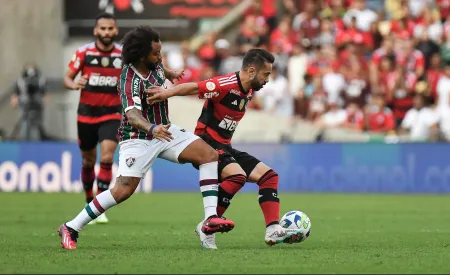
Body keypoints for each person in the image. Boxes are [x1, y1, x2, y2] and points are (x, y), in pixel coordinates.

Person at [57, 25, 235, 250]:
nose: (160, 57)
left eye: (160, 52)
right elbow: (132, 115)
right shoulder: (129, 79)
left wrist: (171, 73)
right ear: (141, 55)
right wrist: (151, 129)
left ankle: (209, 220)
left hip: (166, 130)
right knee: (122, 191)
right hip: (138, 138)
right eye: (156, 53)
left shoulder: (155, 63)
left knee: (208, 155)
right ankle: (71, 227)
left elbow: (161, 68)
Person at [146, 48, 304, 249]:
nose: (267, 80)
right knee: (237, 176)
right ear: (252, 71)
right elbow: (195, 87)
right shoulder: (225, 84)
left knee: (269, 176)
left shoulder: (248, 91)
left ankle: (272, 228)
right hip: (206, 144)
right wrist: (167, 93)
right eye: (266, 74)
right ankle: (209, 223)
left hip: (225, 147)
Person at [64, 13, 123, 224]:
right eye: (103, 29)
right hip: (87, 114)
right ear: (96, 30)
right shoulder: (83, 52)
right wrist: (74, 84)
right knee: (88, 161)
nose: (106, 32)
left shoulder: (123, 55)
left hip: (112, 113)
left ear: (115, 31)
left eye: (110, 29)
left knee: (107, 158)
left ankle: (99, 206)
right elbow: (67, 79)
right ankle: (89, 200)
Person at [11, 64, 47, 141]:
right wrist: (15, 102)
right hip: (24, 109)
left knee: (37, 129)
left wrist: (41, 102)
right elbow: (15, 96)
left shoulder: (40, 80)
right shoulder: (20, 81)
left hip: (36, 109)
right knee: (24, 129)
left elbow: (44, 95)